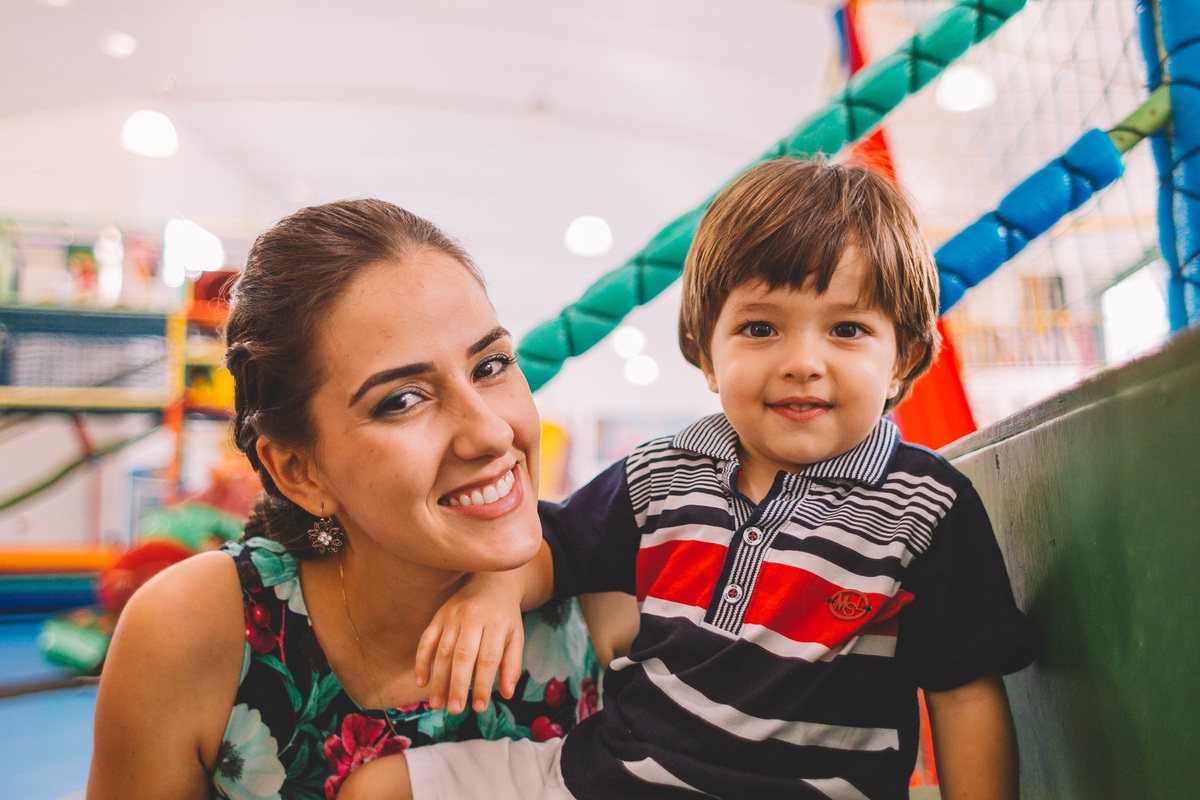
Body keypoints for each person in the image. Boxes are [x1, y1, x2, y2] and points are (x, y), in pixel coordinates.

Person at [342, 158, 1040, 800]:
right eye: (761, 329)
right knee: (379, 788)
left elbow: (963, 693)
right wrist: (494, 592)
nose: (802, 362)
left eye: (847, 330)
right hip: (603, 776)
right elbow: (556, 545)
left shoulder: (924, 506)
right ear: (704, 353)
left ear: (903, 360)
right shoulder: (663, 474)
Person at [87, 199, 602, 800]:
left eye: (490, 365)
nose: (491, 432)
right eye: (403, 400)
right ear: (300, 472)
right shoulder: (197, 631)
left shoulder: (614, 590)